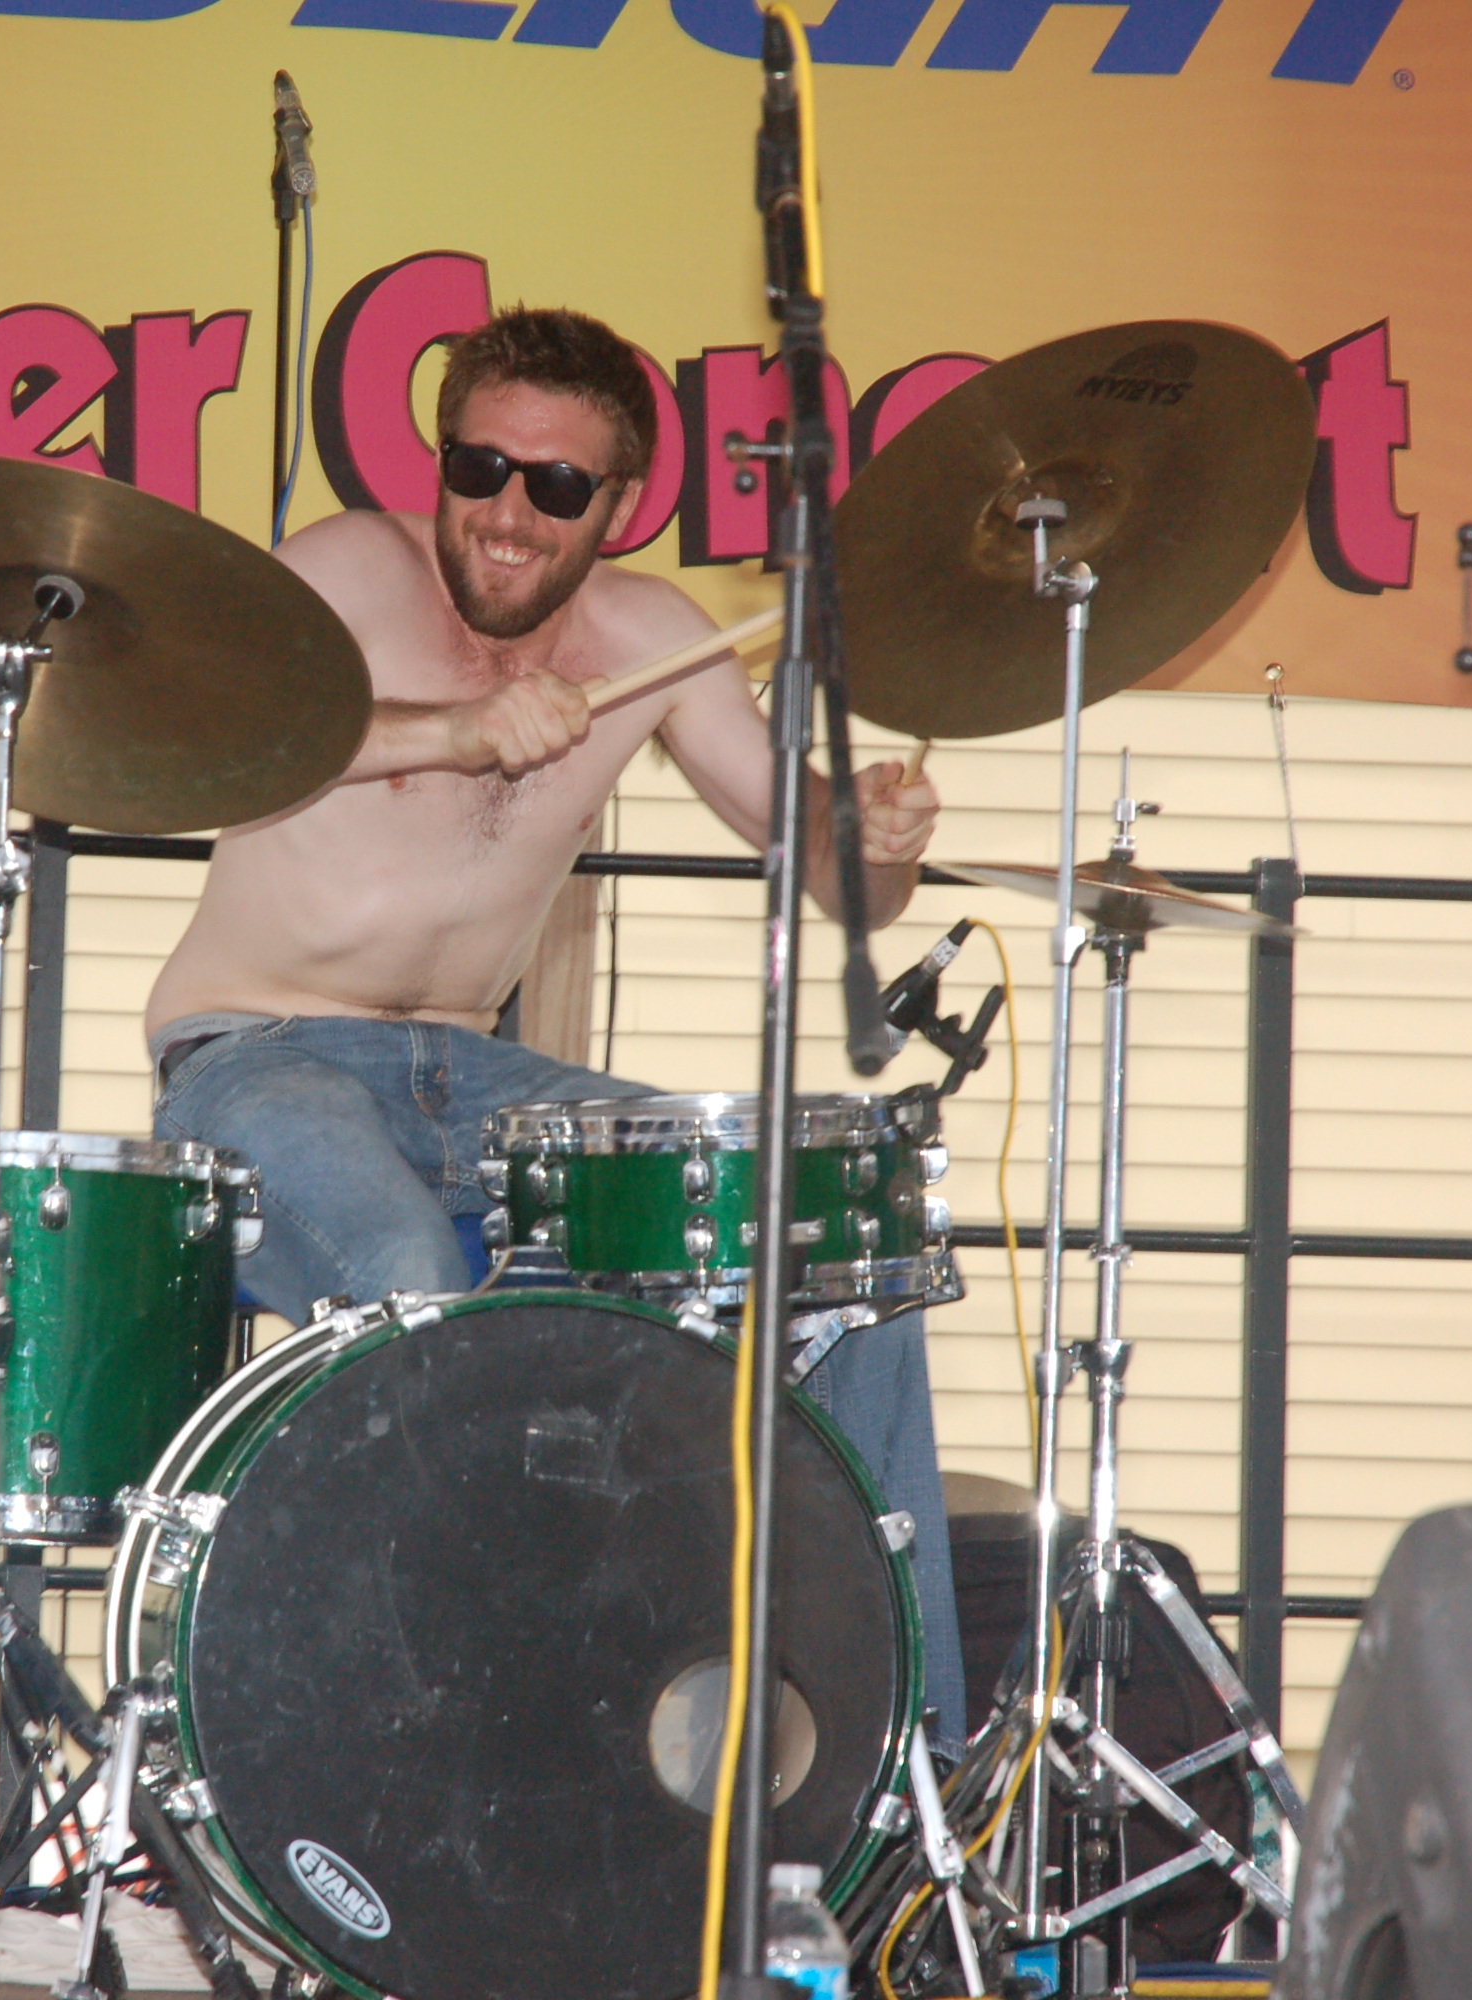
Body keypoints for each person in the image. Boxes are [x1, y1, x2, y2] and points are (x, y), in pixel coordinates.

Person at [145, 306, 964, 1746]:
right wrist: (451, 730)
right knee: (405, 1270)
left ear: (618, 506)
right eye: (480, 468)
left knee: (824, 1235)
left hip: (478, 1078)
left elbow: (835, 874)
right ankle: (414, 1729)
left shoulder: (652, 637)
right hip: (260, 1053)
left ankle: (893, 1756)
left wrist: (881, 843)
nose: (509, 514)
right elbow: (219, 731)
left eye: (558, 485)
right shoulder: (345, 569)